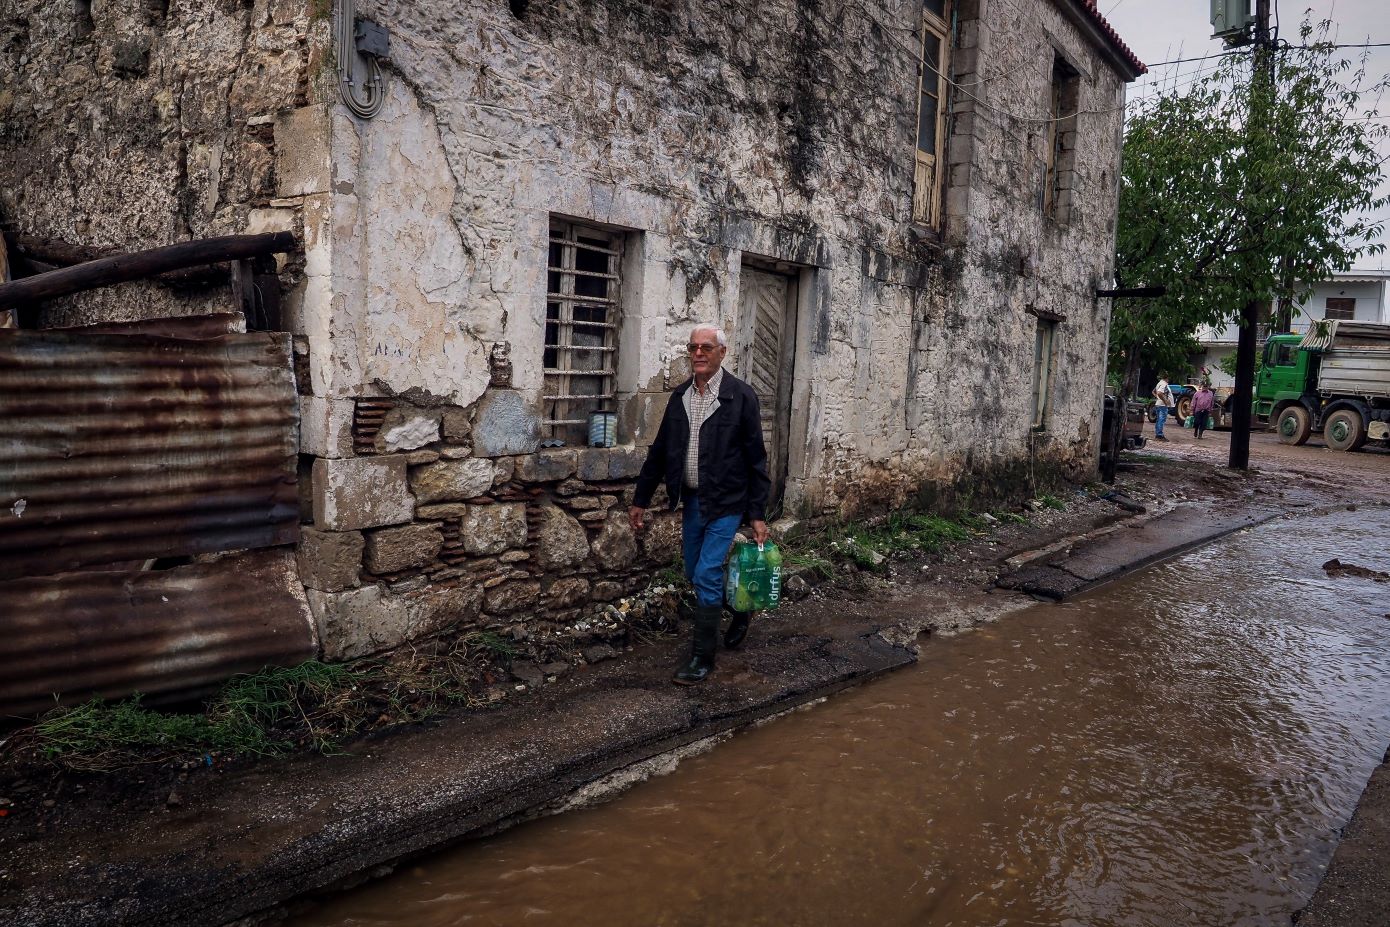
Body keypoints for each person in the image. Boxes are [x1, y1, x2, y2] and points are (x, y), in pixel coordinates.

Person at [629, 324, 771, 685]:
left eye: (706, 347)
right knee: (695, 572)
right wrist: (640, 500)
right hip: (693, 500)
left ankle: (701, 658)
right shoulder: (680, 397)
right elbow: (659, 452)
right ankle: (739, 608)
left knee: (707, 573)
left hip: (727, 502)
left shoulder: (741, 397)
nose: (698, 353)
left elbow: (756, 458)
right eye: (693, 347)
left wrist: (756, 513)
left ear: (722, 352)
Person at [1152, 374, 1174, 440]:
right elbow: (1159, 393)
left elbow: (1154, 392)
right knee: (1161, 420)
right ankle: (1159, 435)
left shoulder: (1159, 383)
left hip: (1159, 404)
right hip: (1162, 405)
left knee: (1159, 419)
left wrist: (1158, 398)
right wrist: (1165, 401)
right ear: (1167, 378)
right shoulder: (1164, 384)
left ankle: (1158, 434)